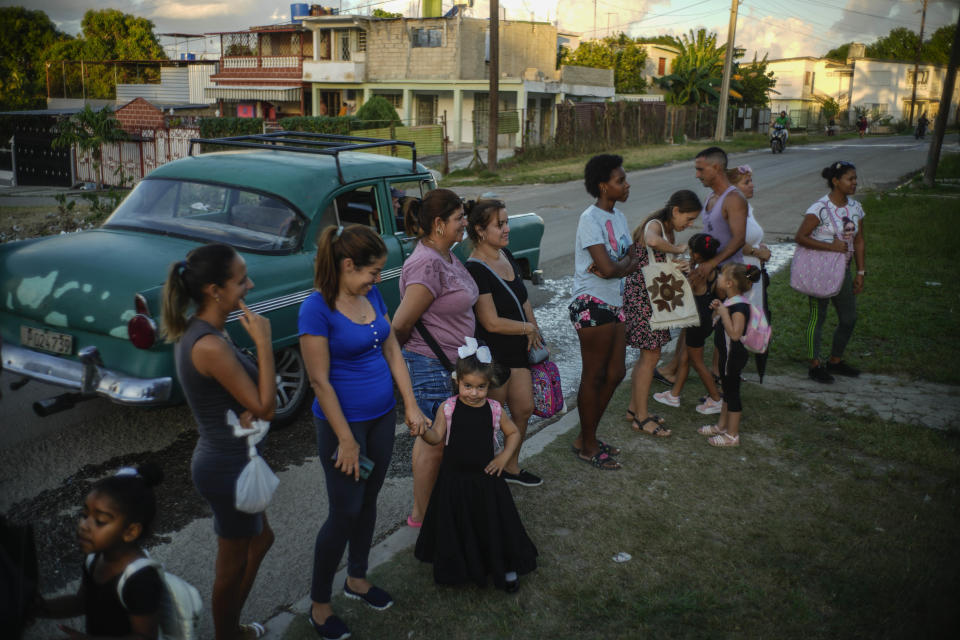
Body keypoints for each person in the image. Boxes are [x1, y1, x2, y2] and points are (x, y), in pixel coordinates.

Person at [299, 225, 431, 640]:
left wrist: (409, 403)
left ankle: (357, 579)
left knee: (368, 500)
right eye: (373, 272)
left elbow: (391, 345)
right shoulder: (315, 309)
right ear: (347, 264)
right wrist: (346, 440)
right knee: (344, 512)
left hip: (381, 415)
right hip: (344, 426)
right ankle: (319, 606)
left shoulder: (369, 295)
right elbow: (319, 381)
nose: (379, 280)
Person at [161, 243, 275, 640]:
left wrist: (247, 407)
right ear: (214, 290)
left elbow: (247, 402)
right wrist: (263, 341)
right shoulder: (208, 345)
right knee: (230, 570)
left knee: (261, 540)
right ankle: (228, 634)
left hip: (230, 458)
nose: (250, 284)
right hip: (227, 469)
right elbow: (266, 405)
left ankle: (231, 628)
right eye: (241, 280)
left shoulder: (206, 331)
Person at [414, 342, 538, 592]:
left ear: (489, 385)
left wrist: (504, 457)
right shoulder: (448, 408)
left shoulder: (493, 409)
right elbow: (437, 437)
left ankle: (505, 565)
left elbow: (513, 433)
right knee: (459, 527)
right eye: (467, 386)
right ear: (457, 381)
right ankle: (460, 568)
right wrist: (423, 432)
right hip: (454, 482)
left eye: (481, 387)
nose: (474, 393)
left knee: (493, 524)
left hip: (486, 480)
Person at [392, 189, 478, 526]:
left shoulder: (445, 255)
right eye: (459, 218)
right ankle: (424, 519)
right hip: (431, 366)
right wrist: (407, 363)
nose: (465, 224)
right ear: (439, 224)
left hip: (451, 365)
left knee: (437, 442)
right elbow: (400, 325)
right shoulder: (426, 264)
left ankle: (428, 512)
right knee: (435, 443)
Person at [35, 464, 166, 638]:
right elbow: (82, 602)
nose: (84, 526)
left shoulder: (141, 580)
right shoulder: (95, 558)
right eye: (84, 515)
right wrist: (36, 609)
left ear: (130, 531)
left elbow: (144, 636)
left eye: (100, 520)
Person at [465, 199, 543, 487]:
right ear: (480, 230)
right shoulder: (474, 268)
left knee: (523, 409)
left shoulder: (506, 254)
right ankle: (486, 473)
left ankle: (510, 465)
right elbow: (490, 322)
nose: (507, 228)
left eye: (507, 222)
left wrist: (534, 329)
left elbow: (523, 298)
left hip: (519, 350)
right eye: (500, 224)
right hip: (493, 355)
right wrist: (527, 327)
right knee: (491, 421)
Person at [568, 154, 638, 470]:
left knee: (616, 373)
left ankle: (587, 436)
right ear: (603, 186)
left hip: (614, 302)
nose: (626, 184)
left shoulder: (618, 218)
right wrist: (623, 266)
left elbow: (625, 259)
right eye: (620, 180)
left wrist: (620, 267)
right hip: (592, 302)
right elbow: (611, 266)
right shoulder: (590, 219)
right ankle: (588, 444)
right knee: (594, 374)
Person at [624, 190, 701, 433]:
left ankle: (633, 410)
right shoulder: (655, 225)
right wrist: (678, 250)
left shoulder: (667, 229)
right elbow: (652, 241)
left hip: (650, 299)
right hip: (644, 300)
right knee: (650, 357)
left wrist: (678, 263)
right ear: (676, 210)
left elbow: (656, 260)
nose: (689, 225)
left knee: (647, 357)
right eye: (688, 219)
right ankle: (642, 417)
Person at [795, 161, 866, 384]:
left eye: (855, 178)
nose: (854, 183)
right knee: (818, 317)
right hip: (820, 271)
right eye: (849, 179)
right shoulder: (819, 209)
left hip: (843, 270)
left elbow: (860, 240)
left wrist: (860, 272)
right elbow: (800, 237)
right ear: (836, 181)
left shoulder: (855, 208)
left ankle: (835, 361)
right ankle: (815, 364)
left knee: (849, 317)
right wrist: (831, 247)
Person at [654, 233, 724, 415]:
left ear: (698, 255)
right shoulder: (713, 270)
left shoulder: (698, 273)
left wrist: (676, 271)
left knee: (697, 362)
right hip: (706, 319)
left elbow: (684, 288)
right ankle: (674, 395)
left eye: (692, 251)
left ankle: (716, 399)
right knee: (685, 357)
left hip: (696, 321)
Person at [699, 264, 762, 447]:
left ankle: (732, 435)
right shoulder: (731, 302)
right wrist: (718, 310)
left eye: (720, 276)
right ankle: (722, 426)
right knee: (727, 392)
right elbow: (716, 324)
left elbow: (735, 334)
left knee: (732, 394)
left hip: (733, 357)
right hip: (728, 357)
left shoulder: (739, 307)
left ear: (729, 283)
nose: (717, 278)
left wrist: (724, 313)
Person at [727, 164, 771, 310]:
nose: (752, 185)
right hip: (738, 275)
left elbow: (750, 236)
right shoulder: (732, 211)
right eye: (746, 182)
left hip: (751, 271)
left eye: (751, 181)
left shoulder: (746, 208)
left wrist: (759, 246)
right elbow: (735, 241)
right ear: (732, 188)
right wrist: (757, 252)